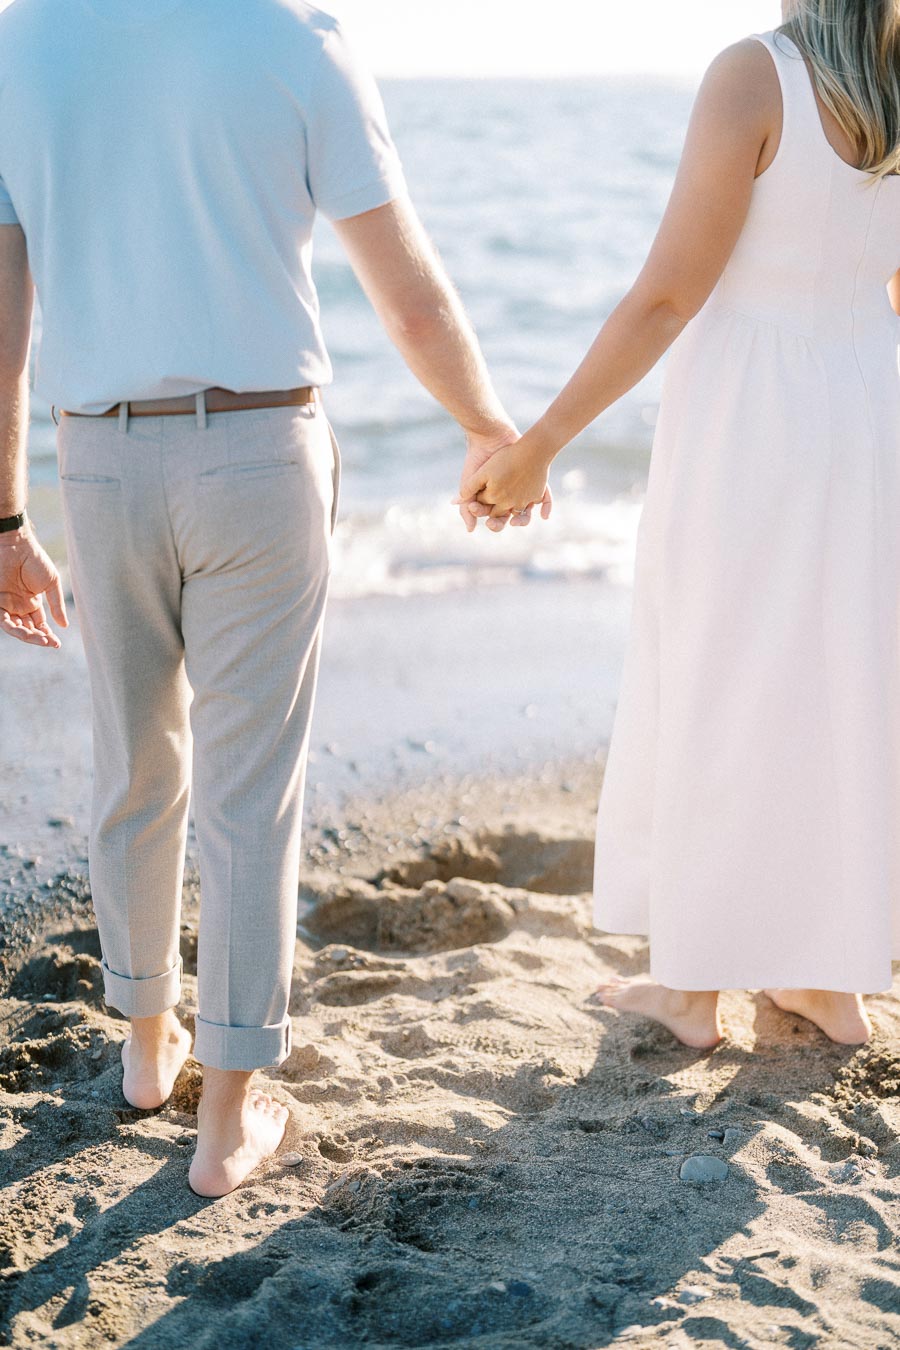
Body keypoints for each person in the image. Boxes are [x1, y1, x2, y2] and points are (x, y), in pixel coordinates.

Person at [0, 0, 524, 1197]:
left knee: (134, 764)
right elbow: (411, 297)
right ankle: (226, 1119)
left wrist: (5, 519)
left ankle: (145, 1051)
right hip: (257, 451)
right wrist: (489, 428)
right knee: (249, 793)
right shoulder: (298, 35)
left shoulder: (21, 41)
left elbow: (2, 326)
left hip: (98, 459)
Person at [461, 0, 900, 1049]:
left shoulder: (755, 74)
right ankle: (824, 976)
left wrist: (540, 444)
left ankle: (694, 989)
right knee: (839, 682)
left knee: (718, 673)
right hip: (868, 407)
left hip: (754, 415)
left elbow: (668, 295)